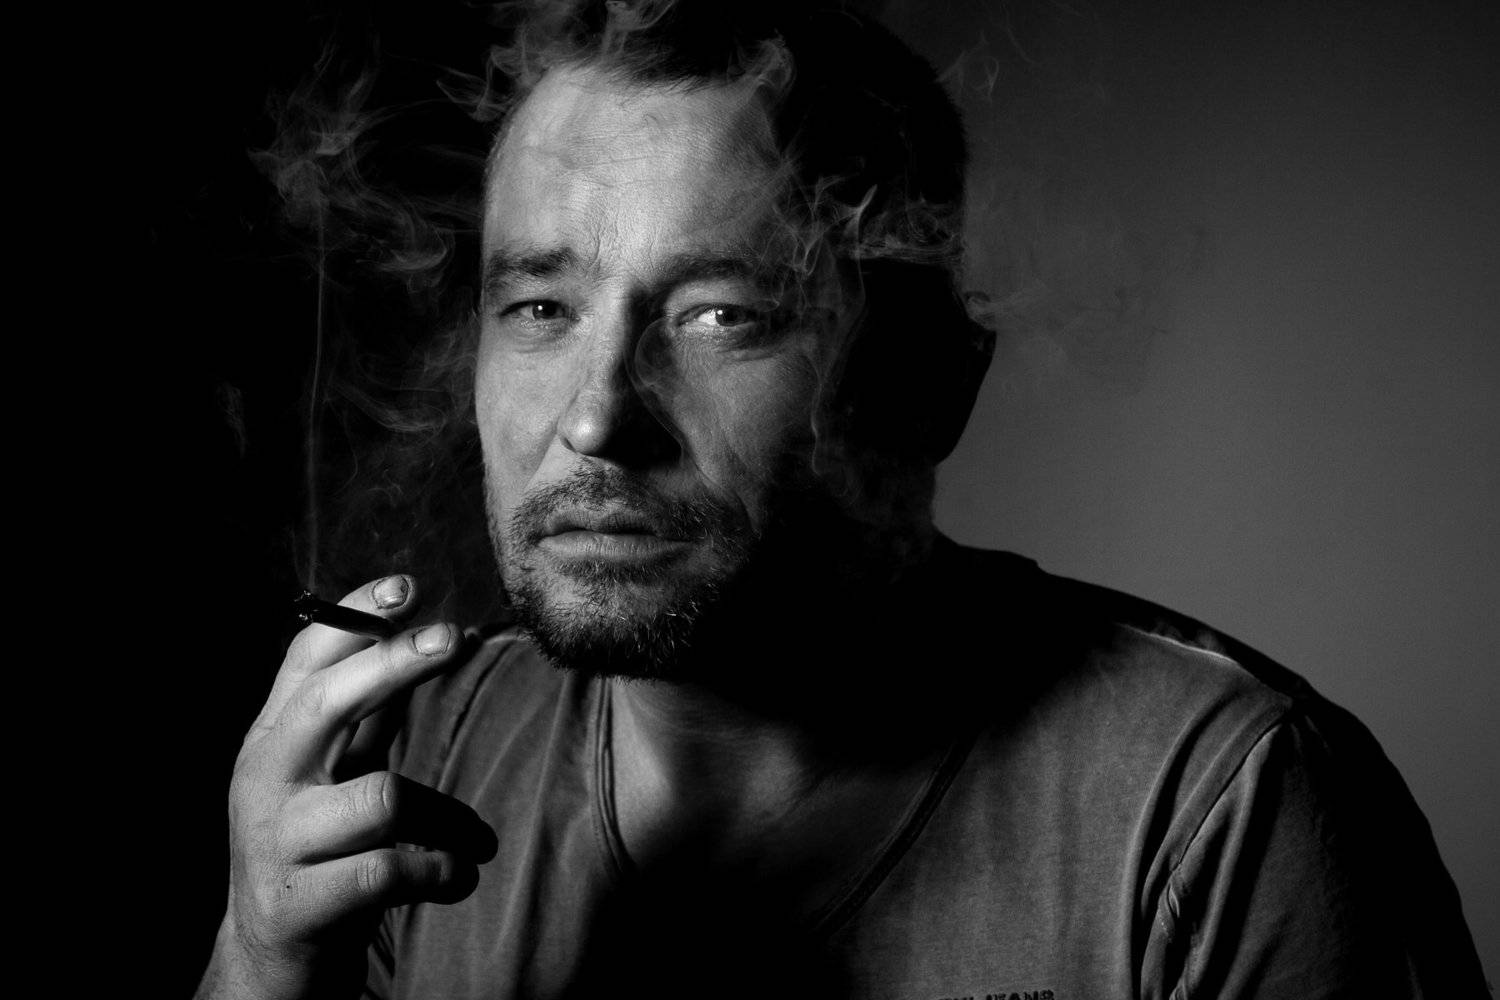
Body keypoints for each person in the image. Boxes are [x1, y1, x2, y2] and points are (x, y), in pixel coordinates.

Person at [195, 3, 1488, 998]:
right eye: (540, 307)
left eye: (722, 315)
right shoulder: (412, 767)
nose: (594, 419)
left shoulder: (1219, 805)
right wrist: (256, 959)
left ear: (925, 388)